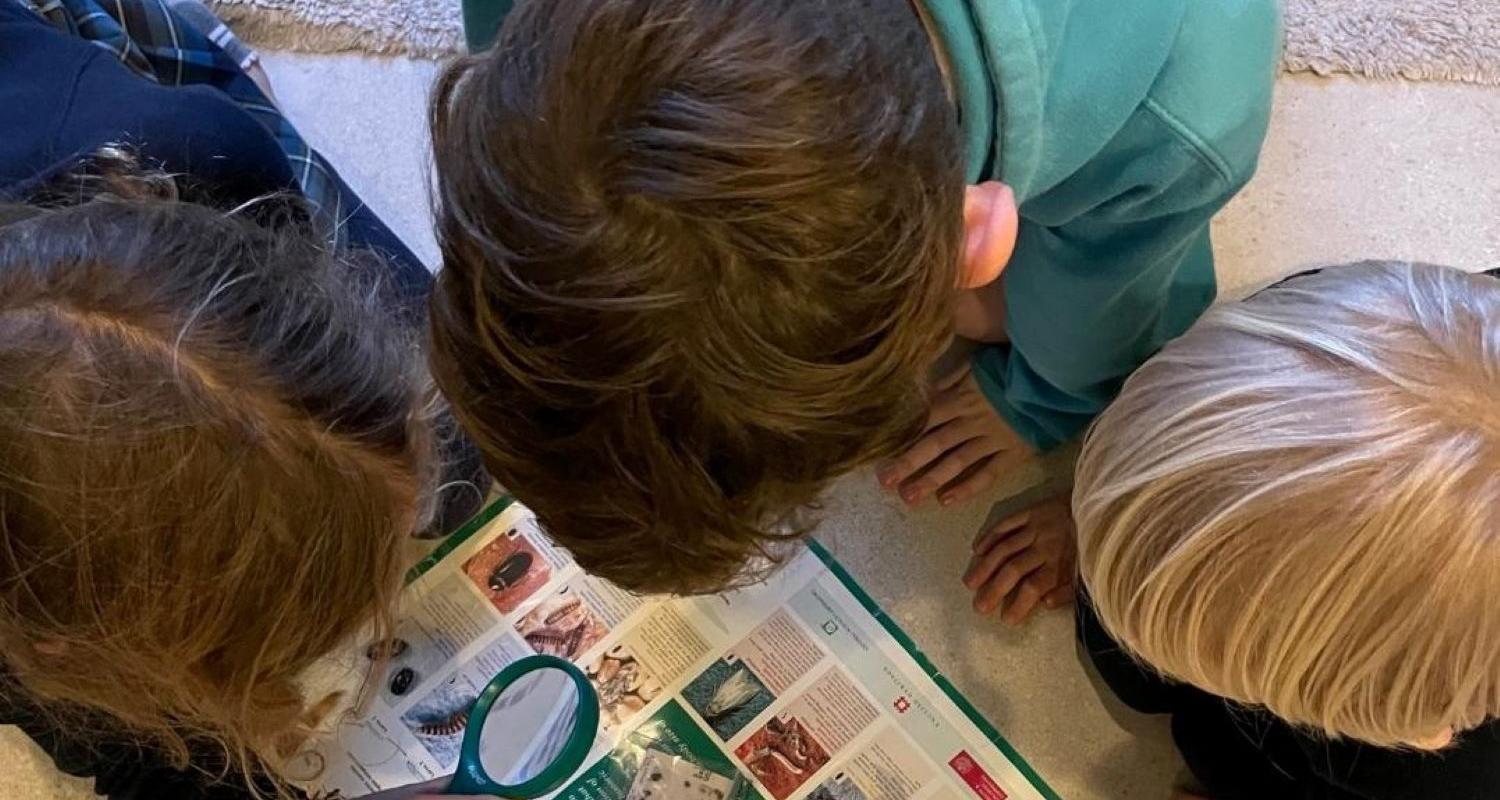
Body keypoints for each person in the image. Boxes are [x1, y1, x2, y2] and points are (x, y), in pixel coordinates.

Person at [429, 0, 1279, 598]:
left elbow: (1122, 298)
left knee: (1035, 313)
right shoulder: (537, 64)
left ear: (976, 237)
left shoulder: (1180, 118)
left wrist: (1040, 398)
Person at [0, 2, 485, 798]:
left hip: (118, 126)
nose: (381, 608)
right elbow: (118, 749)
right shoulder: (30, 621)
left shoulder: (206, 156)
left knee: (461, 454)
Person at [1067, 262, 1500, 798]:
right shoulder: (1320, 331)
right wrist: (1126, 513)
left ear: (1430, 731)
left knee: (1227, 753)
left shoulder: (1448, 776)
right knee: (1128, 669)